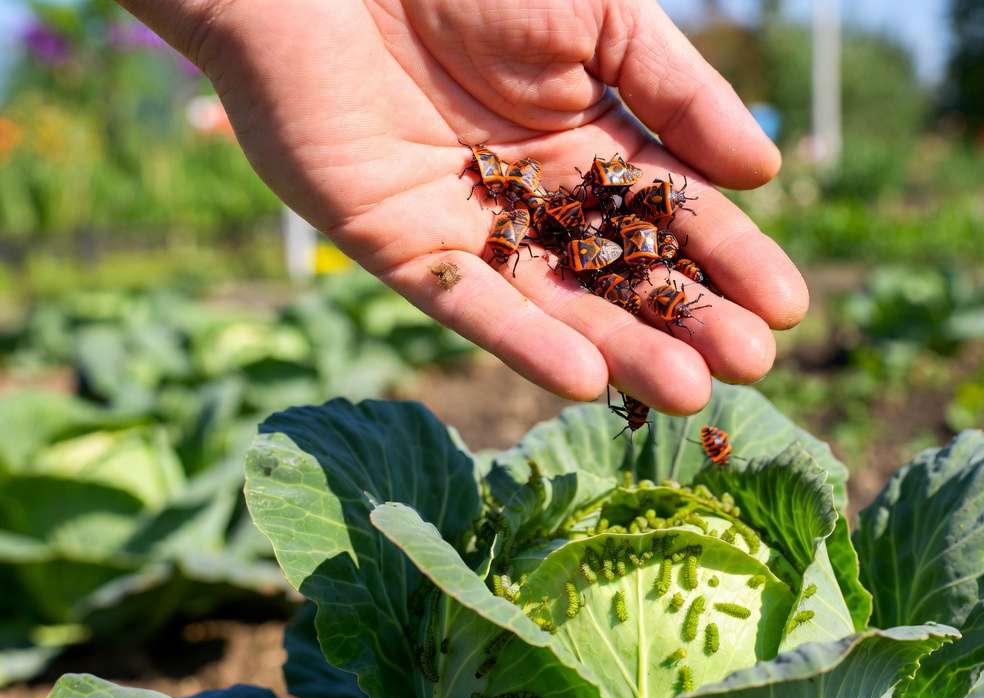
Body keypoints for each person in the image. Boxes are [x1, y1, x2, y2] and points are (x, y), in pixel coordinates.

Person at [118, 0, 808, 415]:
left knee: (654, 305)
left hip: (580, 224)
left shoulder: (561, 212)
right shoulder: (535, 205)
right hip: (570, 220)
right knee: (640, 301)